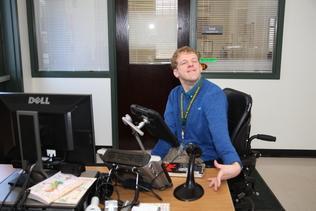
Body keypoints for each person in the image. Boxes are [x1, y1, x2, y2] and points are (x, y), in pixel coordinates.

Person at [151, 46, 242, 191]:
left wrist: (235, 165)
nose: (191, 64)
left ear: (200, 67)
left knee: (165, 189)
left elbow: (221, 138)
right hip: (180, 150)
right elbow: (168, 133)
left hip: (202, 157)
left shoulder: (213, 95)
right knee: (146, 175)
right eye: (184, 62)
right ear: (176, 72)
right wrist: (153, 159)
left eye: (194, 61)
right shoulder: (175, 94)